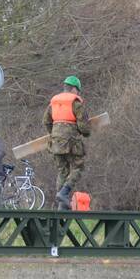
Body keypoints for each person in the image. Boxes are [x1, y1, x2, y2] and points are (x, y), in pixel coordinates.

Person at [42, 75, 90, 209]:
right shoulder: (76, 103)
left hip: (55, 143)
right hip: (71, 142)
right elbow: (84, 127)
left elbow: (46, 121)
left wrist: (54, 134)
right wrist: (85, 133)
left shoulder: (54, 103)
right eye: (78, 90)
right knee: (78, 167)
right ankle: (64, 193)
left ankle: (61, 206)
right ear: (74, 89)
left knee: (62, 171)